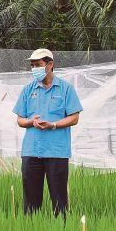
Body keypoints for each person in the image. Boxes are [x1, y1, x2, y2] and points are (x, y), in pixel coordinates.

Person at [12, 48, 83, 216]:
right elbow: (20, 119)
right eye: (32, 65)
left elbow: (74, 117)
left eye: (38, 65)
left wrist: (53, 125)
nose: (34, 69)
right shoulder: (28, 90)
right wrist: (31, 121)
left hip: (57, 152)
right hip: (31, 151)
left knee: (59, 200)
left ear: (50, 65)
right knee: (30, 201)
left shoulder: (66, 89)